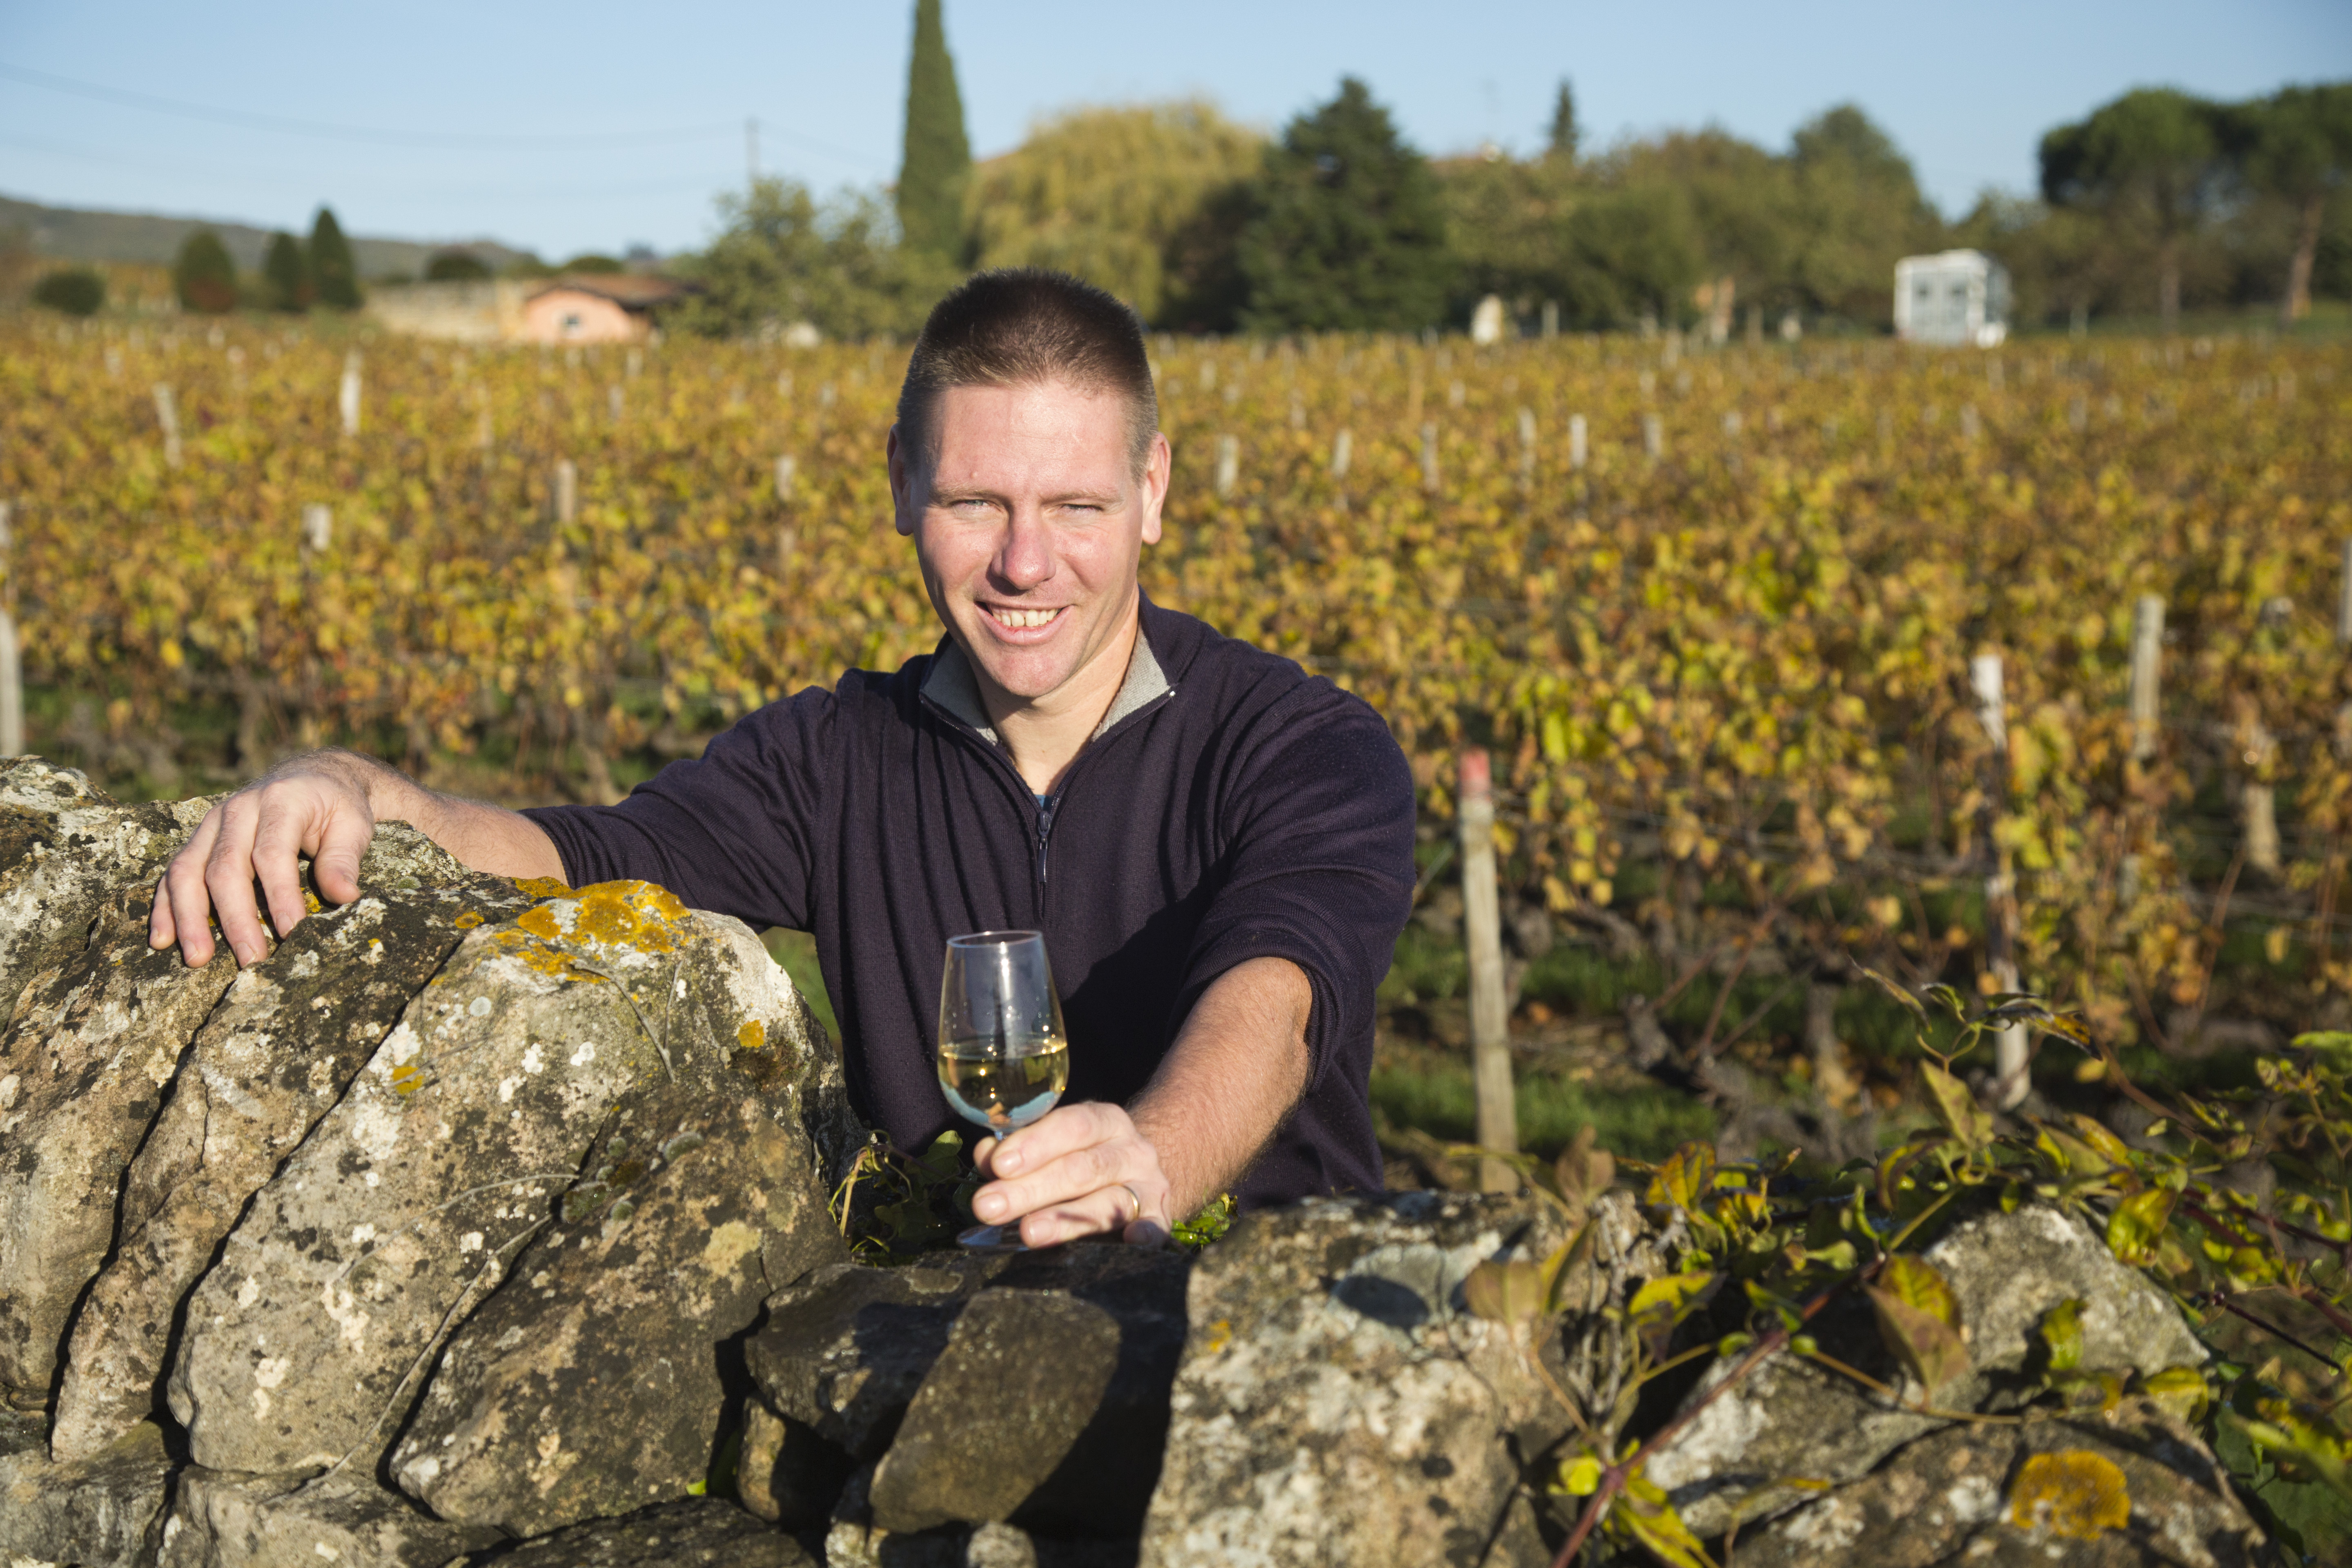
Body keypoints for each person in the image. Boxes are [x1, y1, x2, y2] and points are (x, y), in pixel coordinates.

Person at [151, 269, 1417, 1247]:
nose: (1027, 565)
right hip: (949, 1369)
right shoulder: (830, 760)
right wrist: (350, 789)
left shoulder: (1301, 747)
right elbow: (586, 857)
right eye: (976, 503)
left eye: (1077, 507)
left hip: (1254, 1346)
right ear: (900, 485)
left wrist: (1152, 1160)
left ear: (1152, 492)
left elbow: (1283, 993)